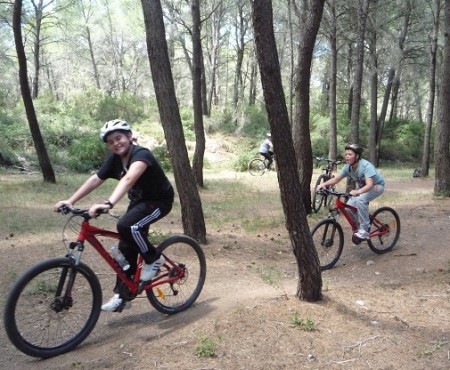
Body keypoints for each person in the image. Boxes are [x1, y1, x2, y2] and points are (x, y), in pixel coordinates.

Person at [54, 119, 174, 312]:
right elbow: (95, 179)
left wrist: (108, 203)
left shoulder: (142, 154)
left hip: (160, 201)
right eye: (110, 141)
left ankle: (154, 259)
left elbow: (129, 178)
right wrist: (70, 201)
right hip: (139, 203)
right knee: (125, 245)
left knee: (128, 227)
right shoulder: (115, 159)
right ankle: (123, 295)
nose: (115, 143)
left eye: (118, 138)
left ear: (129, 136)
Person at [316, 143, 385, 240]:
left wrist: (357, 192)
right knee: (348, 208)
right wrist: (323, 185)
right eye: (346, 154)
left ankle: (364, 230)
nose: (347, 156)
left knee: (361, 200)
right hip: (362, 188)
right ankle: (358, 228)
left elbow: (369, 185)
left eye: (350, 154)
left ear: (357, 156)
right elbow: (336, 180)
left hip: (376, 186)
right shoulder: (347, 167)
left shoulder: (366, 166)